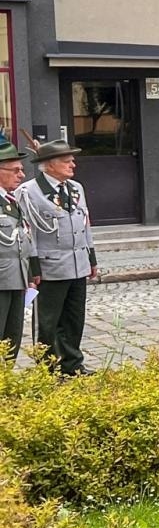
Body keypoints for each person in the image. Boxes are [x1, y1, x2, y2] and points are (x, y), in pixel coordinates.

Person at [17, 139, 96, 374]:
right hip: (49, 266)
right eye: (67, 160)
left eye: (72, 159)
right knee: (48, 323)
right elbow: (28, 232)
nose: (73, 164)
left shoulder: (76, 188)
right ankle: (48, 368)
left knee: (74, 319)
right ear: (49, 165)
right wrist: (33, 268)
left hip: (77, 264)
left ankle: (73, 364)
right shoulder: (29, 192)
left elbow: (85, 226)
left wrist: (91, 260)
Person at [0, 145, 35, 364]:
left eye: (21, 169)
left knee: (12, 335)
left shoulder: (11, 202)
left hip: (16, 278)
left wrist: (29, 275)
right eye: (15, 170)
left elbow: (21, 240)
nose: (21, 175)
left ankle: (7, 381)